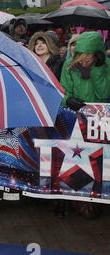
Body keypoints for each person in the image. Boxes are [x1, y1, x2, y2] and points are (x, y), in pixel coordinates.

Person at [59, 32, 110, 219]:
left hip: (99, 121)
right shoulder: (68, 65)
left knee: (97, 161)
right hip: (75, 119)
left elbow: (104, 93)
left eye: (89, 57)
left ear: (97, 54)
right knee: (76, 161)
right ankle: (78, 200)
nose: (85, 61)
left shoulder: (105, 66)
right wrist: (68, 100)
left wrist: (97, 70)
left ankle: (94, 199)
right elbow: (62, 91)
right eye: (82, 57)